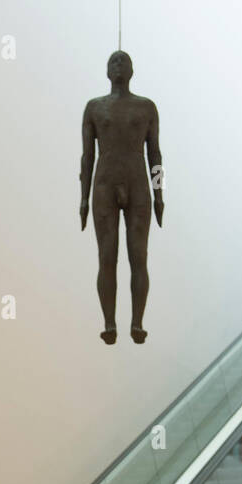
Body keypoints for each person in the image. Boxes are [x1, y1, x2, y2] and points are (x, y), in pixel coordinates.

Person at [80, 49, 164, 344]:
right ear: (106, 71)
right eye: (113, 61)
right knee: (107, 256)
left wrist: (159, 194)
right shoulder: (94, 108)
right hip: (104, 183)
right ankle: (109, 322)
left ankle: (137, 322)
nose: (118, 64)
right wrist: (83, 197)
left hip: (138, 182)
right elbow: (87, 157)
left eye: (123, 61)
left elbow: (154, 154)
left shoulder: (146, 108)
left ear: (131, 70)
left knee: (138, 256)